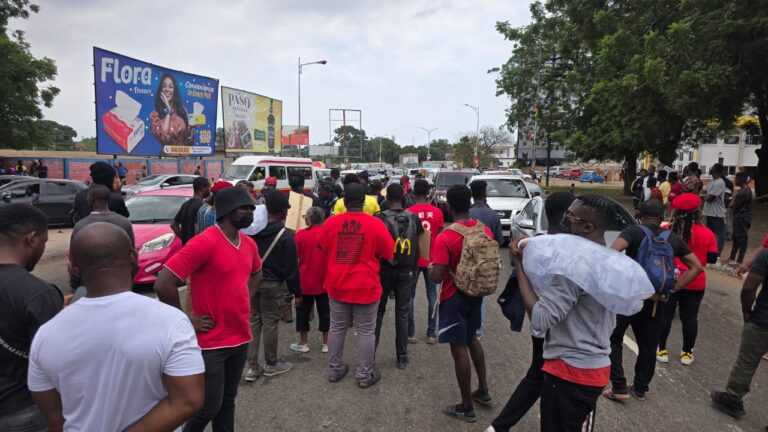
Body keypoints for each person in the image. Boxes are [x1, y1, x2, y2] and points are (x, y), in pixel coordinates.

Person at [29, 223, 204, 431]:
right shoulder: (170, 322)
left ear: (73, 268)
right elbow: (188, 400)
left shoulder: (46, 335)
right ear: (133, 256)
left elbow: (54, 418)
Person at [505, 194, 618, 432]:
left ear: (588, 226)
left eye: (571, 217)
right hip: (596, 369)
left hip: (569, 373)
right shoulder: (609, 258)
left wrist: (519, 266)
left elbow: (541, 320)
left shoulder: (574, 266)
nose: (564, 220)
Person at [154, 187, 262, 432]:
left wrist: (245, 296)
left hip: (240, 336)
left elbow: (257, 274)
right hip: (211, 342)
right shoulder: (205, 242)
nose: (250, 213)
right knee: (208, 408)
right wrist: (185, 319)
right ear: (226, 211)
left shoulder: (249, 244)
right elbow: (164, 283)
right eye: (244, 208)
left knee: (227, 402)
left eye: (252, 208)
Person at [489, 192, 575, 432]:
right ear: (571, 216)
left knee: (538, 374)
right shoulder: (579, 252)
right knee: (557, 385)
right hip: (569, 331)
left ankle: (499, 427)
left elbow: (525, 284)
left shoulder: (535, 246)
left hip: (539, 322)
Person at [604, 199, 703, 401]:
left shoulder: (633, 232)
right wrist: (674, 287)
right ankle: (640, 388)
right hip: (657, 301)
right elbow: (697, 267)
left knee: (613, 339)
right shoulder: (672, 238)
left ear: (639, 214)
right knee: (649, 346)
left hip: (630, 297)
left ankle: (619, 386)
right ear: (661, 217)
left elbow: (610, 255)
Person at [430, 185, 492, 423]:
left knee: (458, 347)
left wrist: (432, 268)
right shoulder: (483, 229)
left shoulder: (446, 237)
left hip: (453, 297)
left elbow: (437, 276)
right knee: (472, 338)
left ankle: (466, 406)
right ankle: (483, 389)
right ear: (469, 203)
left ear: (449, 206)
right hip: (476, 294)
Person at [322, 182, 394, 388]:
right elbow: (389, 253)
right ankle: (364, 374)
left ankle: (334, 369)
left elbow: (323, 247)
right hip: (366, 285)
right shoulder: (375, 224)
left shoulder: (331, 223)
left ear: (343, 201)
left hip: (337, 284)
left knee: (336, 327)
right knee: (365, 331)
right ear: (364, 202)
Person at [0, 204, 62, 431]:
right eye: (44, 243)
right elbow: (54, 366)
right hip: (24, 411)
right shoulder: (38, 294)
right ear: (32, 239)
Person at [657, 193, 718, 366]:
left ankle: (662, 349)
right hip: (696, 281)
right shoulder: (708, 233)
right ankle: (687, 353)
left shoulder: (667, 232)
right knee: (690, 318)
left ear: (675, 212)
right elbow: (712, 258)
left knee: (666, 316)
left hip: (671, 279)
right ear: (699, 213)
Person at [246, 191, 299, 380]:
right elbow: (291, 269)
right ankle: (271, 363)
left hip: (251, 282)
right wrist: (296, 292)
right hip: (272, 284)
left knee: (253, 322)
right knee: (270, 323)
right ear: (283, 212)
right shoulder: (286, 236)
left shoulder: (252, 231)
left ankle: (252, 367)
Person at [711, 247, 768, 421]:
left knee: (747, 361)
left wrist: (747, 313)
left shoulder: (766, 255)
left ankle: (733, 399)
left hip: (762, 321)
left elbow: (749, 287)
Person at [375, 184, 422, 369]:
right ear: (402, 197)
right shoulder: (413, 218)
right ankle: (402, 356)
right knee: (402, 313)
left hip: (384, 270)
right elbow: (419, 245)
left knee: (378, 313)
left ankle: (370, 354)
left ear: (387, 199)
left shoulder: (379, 218)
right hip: (406, 270)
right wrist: (415, 268)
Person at [407, 179, 444, 344]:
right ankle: (431, 333)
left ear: (414, 194)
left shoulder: (409, 212)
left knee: (410, 296)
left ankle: (411, 333)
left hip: (414, 259)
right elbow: (440, 235)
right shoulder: (437, 212)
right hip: (432, 260)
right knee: (432, 296)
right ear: (428, 193)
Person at [290, 207, 330, 355]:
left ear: (310, 219)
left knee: (302, 312)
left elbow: (295, 257)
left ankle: (303, 342)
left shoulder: (300, 235)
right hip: (325, 280)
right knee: (325, 312)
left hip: (305, 280)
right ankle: (326, 343)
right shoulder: (329, 234)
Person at [150, 73, 189, 146]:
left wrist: (192, 129)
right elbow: (164, 138)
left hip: (184, 154)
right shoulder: (155, 115)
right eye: (164, 86)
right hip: (167, 155)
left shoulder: (182, 110)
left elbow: (188, 138)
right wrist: (168, 111)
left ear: (174, 91)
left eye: (171, 87)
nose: (167, 90)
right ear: (160, 91)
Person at [172, 177, 211, 245]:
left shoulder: (185, 204)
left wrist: (184, 238)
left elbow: (173, 225)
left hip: (187, 246)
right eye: (208, 187)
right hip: (198, 247)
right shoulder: (203, 207)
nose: (209, 190)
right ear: (202, 188)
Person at [727, 172, 753, 265]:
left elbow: (732, 205)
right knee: (737, 238)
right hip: (742, 217)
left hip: (741, 218)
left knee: (741, 238)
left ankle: (739, 260)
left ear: (740, 180)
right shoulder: (745, 190)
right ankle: (733, 258)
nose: (735, 180)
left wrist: (733, 198)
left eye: (736, 179)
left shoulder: (743, 192)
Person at [469, 180, 503, 246]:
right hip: (489, 254)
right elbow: (500, 241)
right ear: (485, 194)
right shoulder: (494, 215)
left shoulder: (467, 214)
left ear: (472, 195)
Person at [703, 163, 727, 255]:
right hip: (709, 212)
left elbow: (710, 198)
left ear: (717, 171)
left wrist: (703, 197)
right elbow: (705, 193)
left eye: (712, 168)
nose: (711, 170)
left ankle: (717, 254)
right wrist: (704, 196)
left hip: (717, 213)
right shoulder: (712, 181)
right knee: (710, 234)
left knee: (719, 235)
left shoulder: (720, 182)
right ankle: (710, 252)